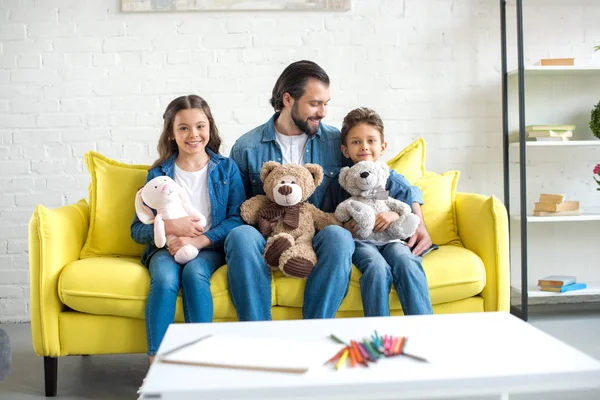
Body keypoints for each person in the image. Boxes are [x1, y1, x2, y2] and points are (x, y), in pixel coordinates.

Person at [226, 60, 354, 321]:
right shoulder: (247, 147)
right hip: (266, 237)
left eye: (326, 103)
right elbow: (236, 210)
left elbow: (376, 173)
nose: (323, 112)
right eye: (315, 103)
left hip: (316, 234)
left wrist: (414, 211)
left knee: (338, 237)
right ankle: (258, 336)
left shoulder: (335, 142)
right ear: (288, 99)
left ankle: (314, 333)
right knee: (240, 235)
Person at [130, 95, 245, 362]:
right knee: (166, 279)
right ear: (171, 134)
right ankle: (156, 359)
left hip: (207, 247)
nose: (193, 134)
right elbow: (136, 230)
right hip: (166, 248)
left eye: (200, 126)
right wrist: (172, 227)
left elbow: (237, 219)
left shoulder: (226, 169)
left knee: (195, 275)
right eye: (183, 128)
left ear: (210, 128)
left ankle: (199, 357)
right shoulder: (158, 174)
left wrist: (200, 240)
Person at [324, 107, 435, 317]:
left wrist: (395, 215)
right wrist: (344, 226)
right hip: (361, 241)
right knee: (377, 268)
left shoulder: (390, 180)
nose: (364, 147)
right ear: (345, 150)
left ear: (382, 146)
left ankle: (424, 326)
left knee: (406, 261)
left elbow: (403, 199)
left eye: (371, 141)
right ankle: (377, 330)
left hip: (392, 241)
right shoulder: (342, 182)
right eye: (356, 142)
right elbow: (330, 216)